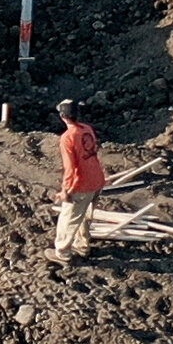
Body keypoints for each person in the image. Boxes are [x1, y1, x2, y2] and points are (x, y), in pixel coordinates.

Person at [49, 98, 107, 265]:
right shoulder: (87, 129)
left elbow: (71, 168)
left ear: (63, 116)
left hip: (81, 185)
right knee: (85, 216)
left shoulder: (67, 138)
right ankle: (82, 246)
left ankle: (62, 253)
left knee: (68, 219)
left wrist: (66, 190)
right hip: (96, 180)